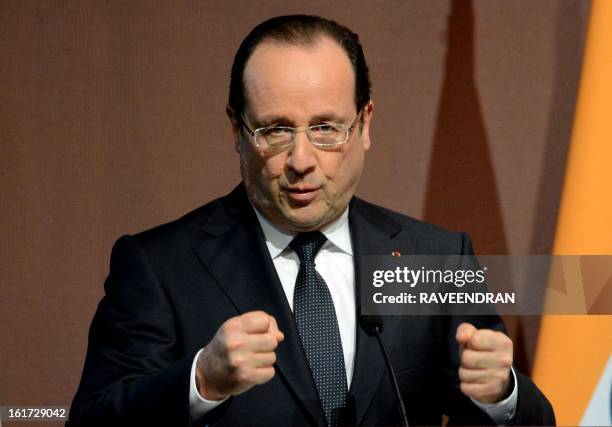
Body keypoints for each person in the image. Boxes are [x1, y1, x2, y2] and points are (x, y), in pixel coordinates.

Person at [68, 15, 555, 426]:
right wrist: (201, 381)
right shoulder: (160, 266)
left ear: (364, 125)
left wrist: (502, 396)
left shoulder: (438, 259)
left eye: (325, 128)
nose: (301, 159)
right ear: (237, 131)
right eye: (276, 130)